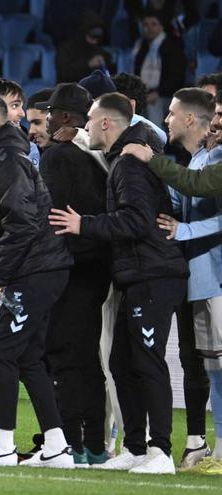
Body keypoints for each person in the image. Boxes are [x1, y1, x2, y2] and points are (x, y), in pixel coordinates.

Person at [49, 92, 188, 474]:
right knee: (121, 360)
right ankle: (136, 447)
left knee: (146, 360)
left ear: (106, 123)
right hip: (138, 273)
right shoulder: (123, 157)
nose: (85, 127)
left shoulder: (128, 166)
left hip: (154, 273)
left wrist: (84, 225)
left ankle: (161, 451)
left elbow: (137, 221)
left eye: (89, 121)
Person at [0, 92, 74, 468]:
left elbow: (21, 223)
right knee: (29, 358)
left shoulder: (5, 161)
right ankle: (57, 447)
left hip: (34, 269)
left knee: (2, 352)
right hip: (39, 266)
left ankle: (2, 446)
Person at [37, 83, 112, 466]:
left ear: (66, 117)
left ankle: (68, 444)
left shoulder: (56, 157)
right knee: (86, 358)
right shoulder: (103, 155)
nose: (46, 120)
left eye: (50, 113)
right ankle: (95, 445)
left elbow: (50, 217)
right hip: (100, 267)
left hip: (67, 268)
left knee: (63, 355)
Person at [151, 88, 222, 473]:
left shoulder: (218, 158)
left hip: (217, 275)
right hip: (200, 275)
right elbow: (184, 200)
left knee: (217, 365)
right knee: (205, 363)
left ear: (190, 118)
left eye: (172, 113)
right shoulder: (199, 157)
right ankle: (204, 446)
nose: (167, 119)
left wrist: (185, 231)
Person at [132, 10, 187, 125]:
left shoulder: (172, 47)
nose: (149, 28)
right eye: (146, 25)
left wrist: (158, 92)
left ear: (161, 26)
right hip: (145, 94)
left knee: (153, 105)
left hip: (165, 95)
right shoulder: (142, 46)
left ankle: (156, 139)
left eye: (153, 24)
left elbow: (176, 77)